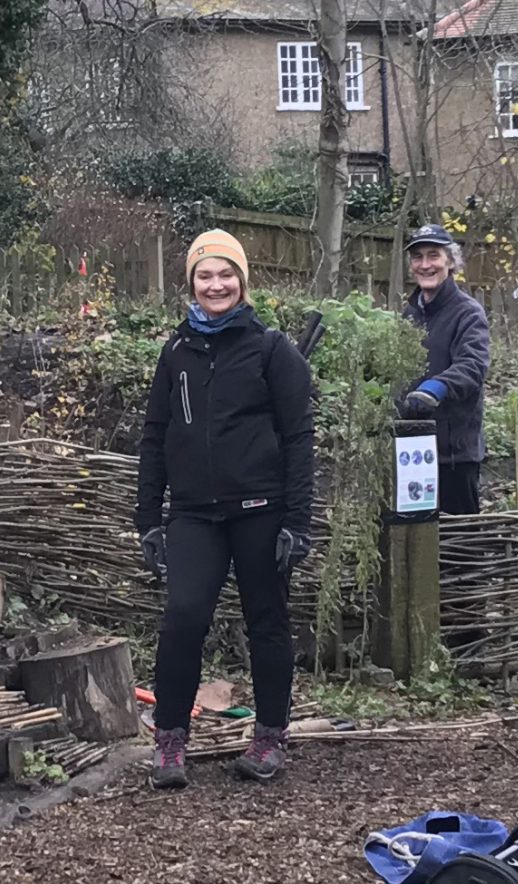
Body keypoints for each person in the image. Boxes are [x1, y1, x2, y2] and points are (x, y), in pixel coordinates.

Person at [134, 230, 318, 788]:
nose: (216, 285)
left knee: (267, 622)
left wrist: (297, 522)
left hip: (261, 509)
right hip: (194, 513)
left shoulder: (271, 349)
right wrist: (148, 519)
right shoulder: (176, 351)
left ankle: (268, 736)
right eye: (204, 275)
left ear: (242, 280)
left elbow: (299, 437)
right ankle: (169, 743)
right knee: (184, 617)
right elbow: (154, 435)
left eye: (225, 274)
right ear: (191, 283)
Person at [399, 225, 491, 514]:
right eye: (417, 257)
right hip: (413, 450)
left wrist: (435, 388)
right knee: (418, 538)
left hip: (454, 454)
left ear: (450, 262)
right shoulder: (409, 314)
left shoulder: (467, 312)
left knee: (458, 542)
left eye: (433, 256)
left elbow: (472, 365)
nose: (425, 265)